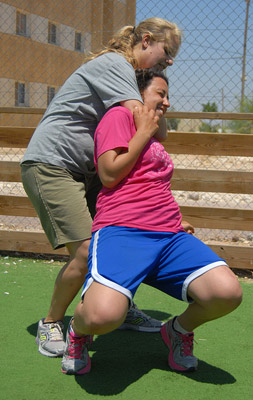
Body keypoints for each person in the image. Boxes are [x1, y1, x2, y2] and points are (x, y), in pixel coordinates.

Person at [61, 68, 242, 375]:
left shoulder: (153, 132)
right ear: (136, 93)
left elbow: (151, 183)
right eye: (160, 93)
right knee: (102, 317)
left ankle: (177, 331)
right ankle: (78, 332)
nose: (167, 102)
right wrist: (143, 130)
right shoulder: (118, 117)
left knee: (227, 293)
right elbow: (108, 174)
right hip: (122, 230)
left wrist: (173, 218)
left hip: (168, 234)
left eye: (167, 95)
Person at [20, 17, 182, 358]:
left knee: (117, 237)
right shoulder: (114, 65)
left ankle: (120, 307)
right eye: (167, 53)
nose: (169, 62)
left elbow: (156, 129)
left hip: (86, 171)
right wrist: (153, 100)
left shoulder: (129, 77)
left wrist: (155, 97)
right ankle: (52, 321)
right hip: (53, 164)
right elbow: (147, 125)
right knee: (83, 251)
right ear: (146, 40)